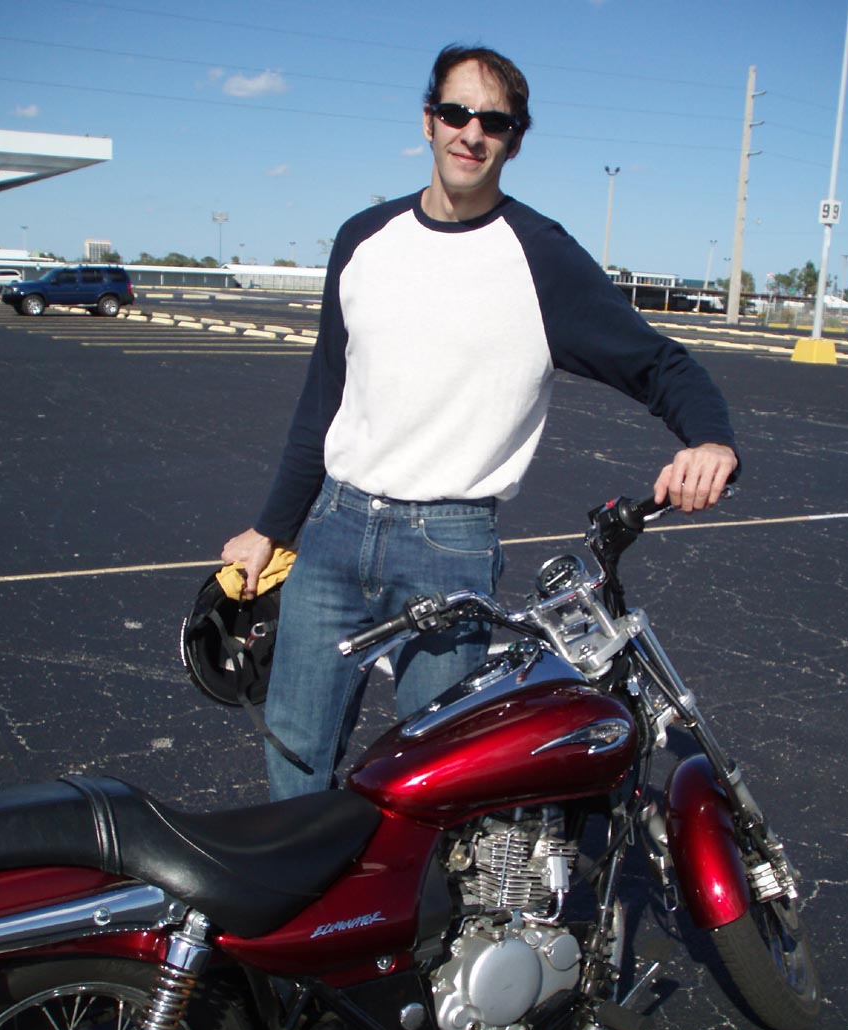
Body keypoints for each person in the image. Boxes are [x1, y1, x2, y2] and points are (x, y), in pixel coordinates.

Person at [222, 43, 739, 802]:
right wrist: (271, 528)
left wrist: (711, 440)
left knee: (442, 791)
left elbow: (660, 364)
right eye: (455, 112)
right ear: (427, 121)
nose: (471, 132)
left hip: (448, 546)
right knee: (295, 764)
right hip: (332, 532)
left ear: (515, 141)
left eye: (493, 122)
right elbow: (322, 401)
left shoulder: (540, 257)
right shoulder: (362, 240)